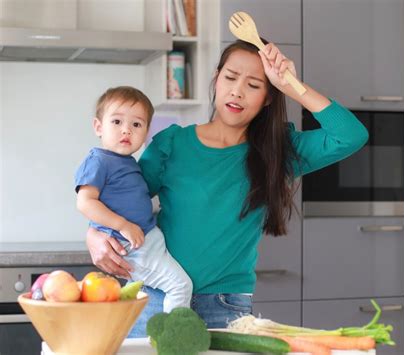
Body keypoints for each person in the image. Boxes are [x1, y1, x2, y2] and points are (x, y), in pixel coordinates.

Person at [86, 40, 369, 336]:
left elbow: (350, 135)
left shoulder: (278, 152)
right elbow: (123, 202)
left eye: (255, 85)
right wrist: (93, 234)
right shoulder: (172, 144)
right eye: (230, 77)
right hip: (157, 297)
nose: (237, 91)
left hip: (224, 307)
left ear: (269, 97)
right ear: (216, 79)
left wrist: (291, 85)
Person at [75, 86, 192, 312]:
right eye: (117, 122)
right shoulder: (98, 161)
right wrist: (123, 225)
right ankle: (173, 338)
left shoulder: (127, 162)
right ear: (98, 127)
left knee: (143, 295)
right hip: (131, 246)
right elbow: (85, 202)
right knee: (179, 286)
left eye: (136, 124)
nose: (126, 130)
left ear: (146, 132)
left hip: (146, 239)